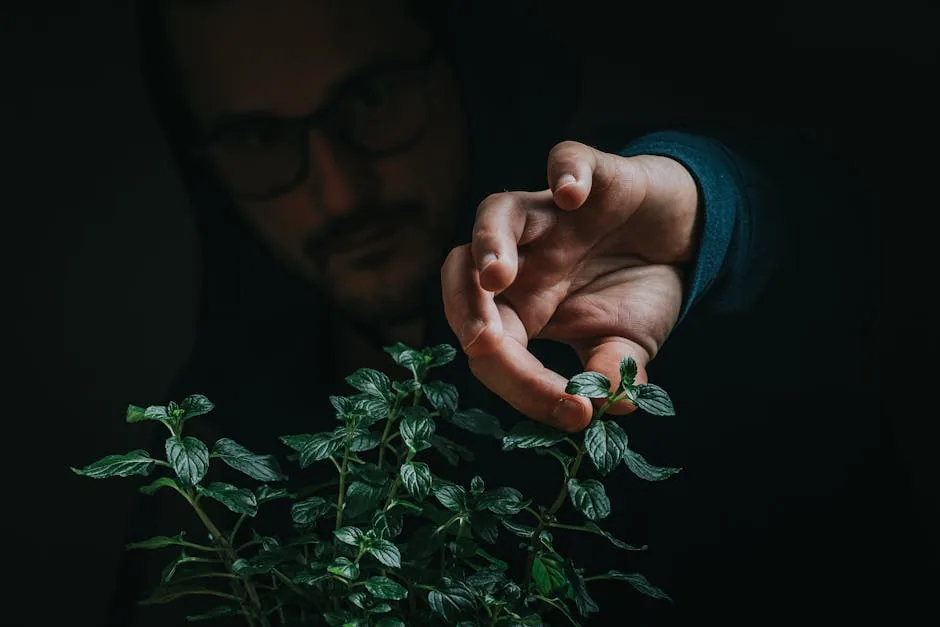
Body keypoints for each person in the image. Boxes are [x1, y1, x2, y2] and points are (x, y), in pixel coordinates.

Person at [109, 0, 911, 625]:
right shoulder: (219, 442)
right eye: (256, 137)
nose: (341, 190)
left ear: (456, 60)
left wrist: (708, 216)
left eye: (374, 96)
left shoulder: (605, 276)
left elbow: (836, 244)